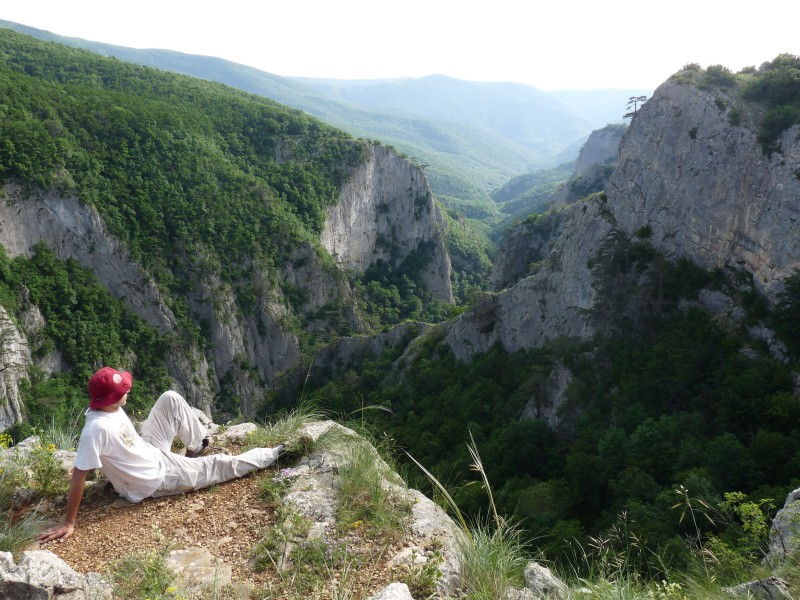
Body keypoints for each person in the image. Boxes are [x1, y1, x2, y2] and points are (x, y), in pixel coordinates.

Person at [37, 367, 284, 543]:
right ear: (112, 398)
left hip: (149, 451)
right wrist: (69, 522)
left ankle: (195, 447)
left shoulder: (106, 407)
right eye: (124, 389)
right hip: (157, 477)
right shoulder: (95, 430)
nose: (128, 390)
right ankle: (276, 453)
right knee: (218, 465)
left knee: (170, 398)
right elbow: (79, 474)